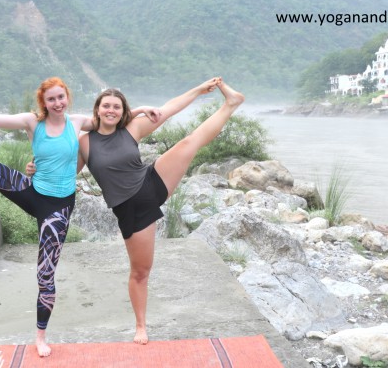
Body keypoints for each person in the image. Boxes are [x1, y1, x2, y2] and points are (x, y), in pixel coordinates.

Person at [0, 76, 157, 357]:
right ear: (43, 103)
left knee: (46, 273)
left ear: (67, 98)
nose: (57, 103)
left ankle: (40, 336)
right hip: (31, 190)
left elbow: (113, 119)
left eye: (61, 97)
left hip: (57, 209)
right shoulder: (32, 122)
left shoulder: (79, 122)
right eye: (51, 99)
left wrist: (140, 109)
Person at [26, 77, 245, 344]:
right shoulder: (83, 142)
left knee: (189, 143)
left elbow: (170, 107)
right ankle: (141, 325)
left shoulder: (132, 128)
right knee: (140, 271)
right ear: (97, 110)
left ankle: (231, 104)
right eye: (106, 105)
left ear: (123, 111)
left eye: (116, 107)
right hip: (129, 210)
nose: (111, 110)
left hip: (151, 183)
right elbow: (66, 171)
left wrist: (200, 90)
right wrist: (36, 168)